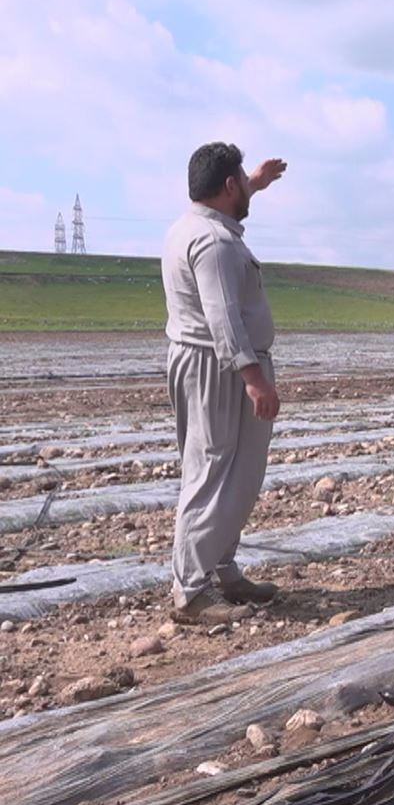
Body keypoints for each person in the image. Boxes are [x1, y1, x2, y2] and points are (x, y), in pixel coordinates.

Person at [161, 142, 286, 624]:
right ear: (227, 186)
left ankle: (221, 566)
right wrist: (254, 377)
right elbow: (222, 316)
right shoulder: (212, 243)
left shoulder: (190, 226)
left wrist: (254, 182)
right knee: (213, 470)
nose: (247, 188)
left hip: (211, 361)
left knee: (237, 469)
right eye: (241, 182)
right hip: (222, 364)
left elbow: (229, 201)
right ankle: (192, 590)